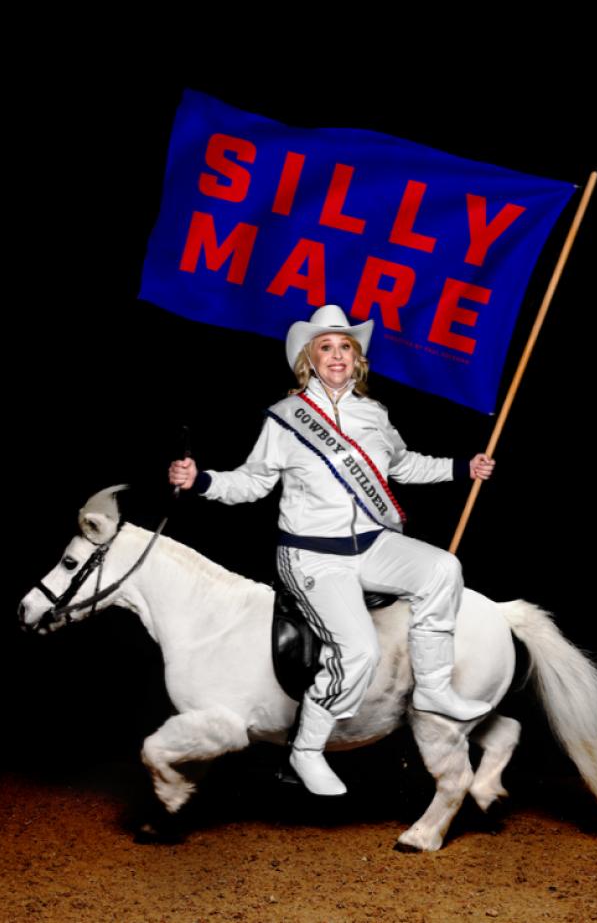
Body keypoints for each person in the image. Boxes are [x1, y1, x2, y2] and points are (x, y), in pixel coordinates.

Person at [169, 305, 495, 797]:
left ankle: (432, 686)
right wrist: (202, 481)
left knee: (443, 568)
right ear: (310, 359)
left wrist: (460, 468)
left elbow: (404, 466)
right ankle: (307, 748)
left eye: (345, 346)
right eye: (326, 346)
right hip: (312, 556)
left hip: (371, 544)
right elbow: (253, 482)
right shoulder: (286, 419)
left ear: (357, 358)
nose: (337, 354)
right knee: (359, 649)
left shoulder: (375, 414)